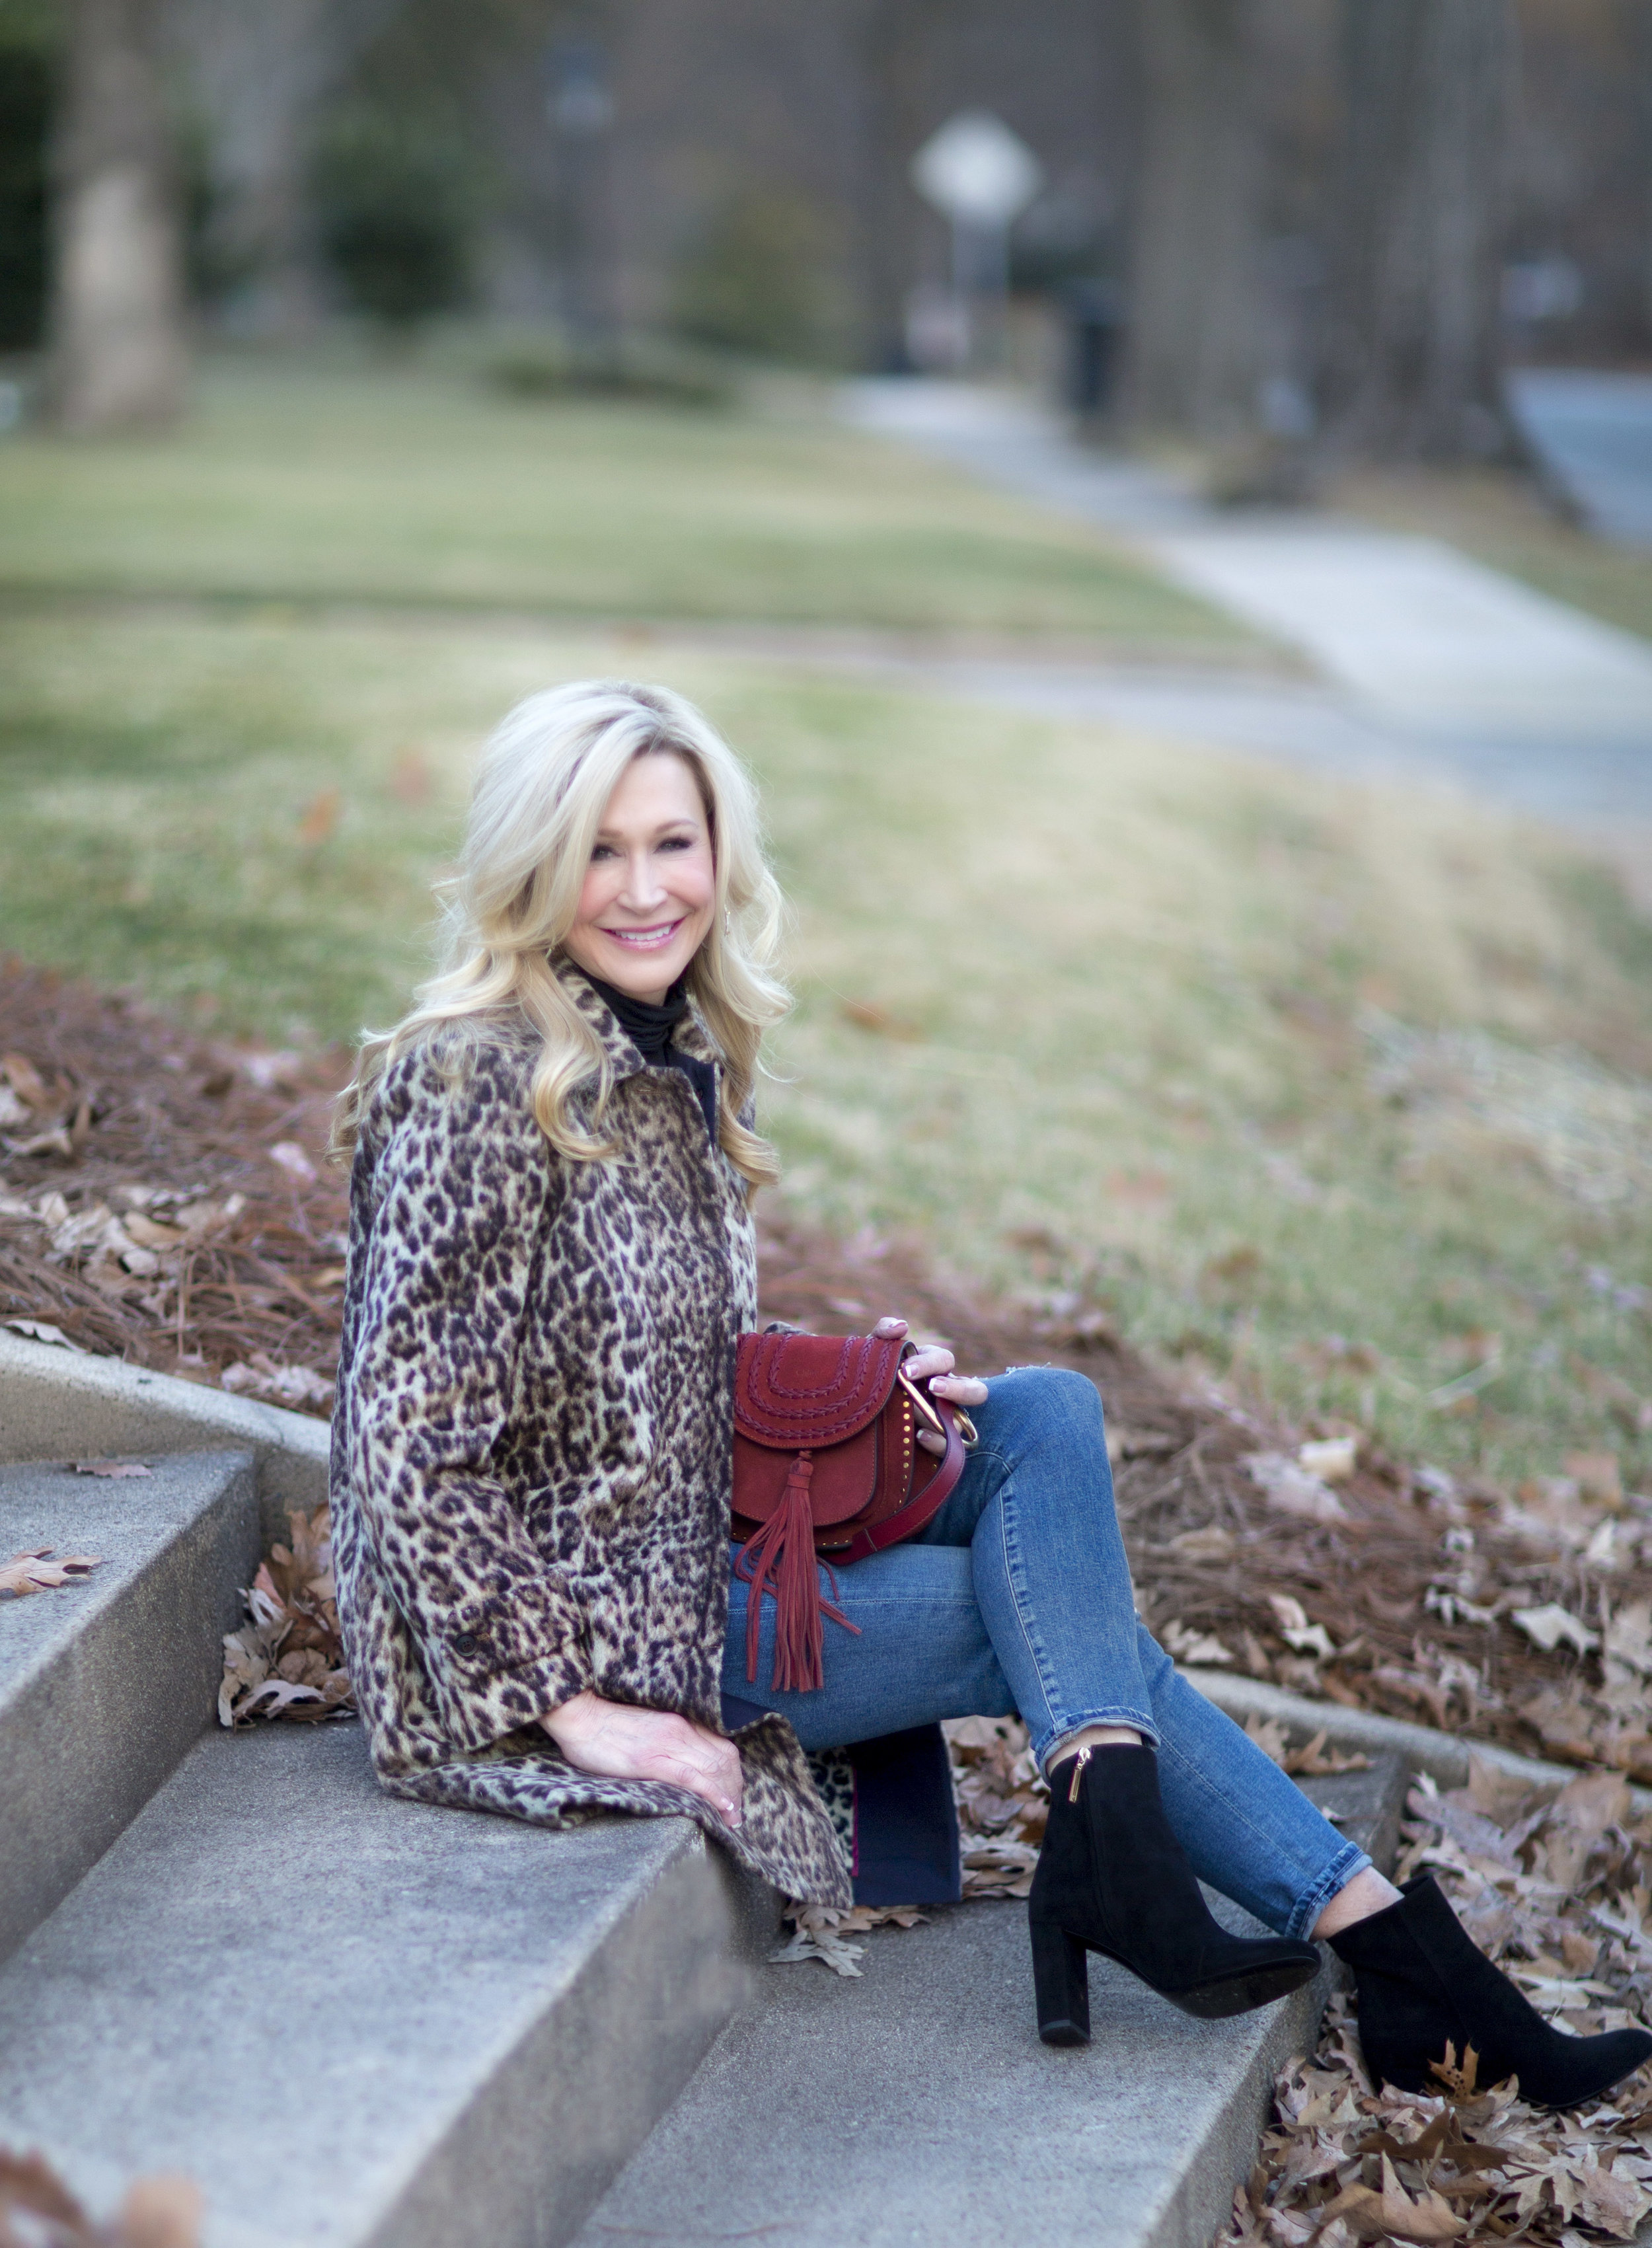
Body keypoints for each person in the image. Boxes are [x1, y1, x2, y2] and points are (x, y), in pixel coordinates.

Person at [330, 679, 1651, 2105]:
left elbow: (631, 1343)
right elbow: (403, 1449)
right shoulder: (473, 1084)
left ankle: (1163, 1867)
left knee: (1041, 1413)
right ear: (533, 861)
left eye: (673, 842)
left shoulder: (679, 1056)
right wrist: (574, 1707)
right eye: (600, 849)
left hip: (697, 1536)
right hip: (597, 1622)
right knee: (1039, 1620)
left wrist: (856, 1388)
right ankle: (1377, 1951)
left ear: (721, 853)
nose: (646, 889)